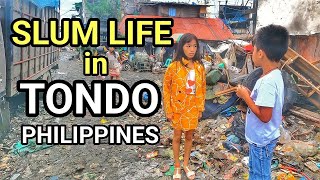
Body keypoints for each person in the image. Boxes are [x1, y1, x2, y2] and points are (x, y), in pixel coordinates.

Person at [236, 24, 289, 180]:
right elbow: (264, 103)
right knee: (256, 171)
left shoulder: (267, 82)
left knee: (260, 175)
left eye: (253, 49)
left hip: (262, 141)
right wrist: (249, 94)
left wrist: (245, 97)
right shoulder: (275, 74)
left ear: (260, 53)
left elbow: (265, 116)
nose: (252, 53)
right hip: (263, 138)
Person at [163, 33, 206, 180]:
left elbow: (202, 89)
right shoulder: (173, 67)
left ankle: (186, 164)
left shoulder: (200, 68)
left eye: (194, 46)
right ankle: (177, 166)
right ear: (182, 47)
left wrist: (200, 108)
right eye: (188, 46)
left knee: (189, 137)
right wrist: (168, 109)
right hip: (178, 109)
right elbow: (166, 89)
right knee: (176, 137)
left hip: (192, 108)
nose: (192, 49)